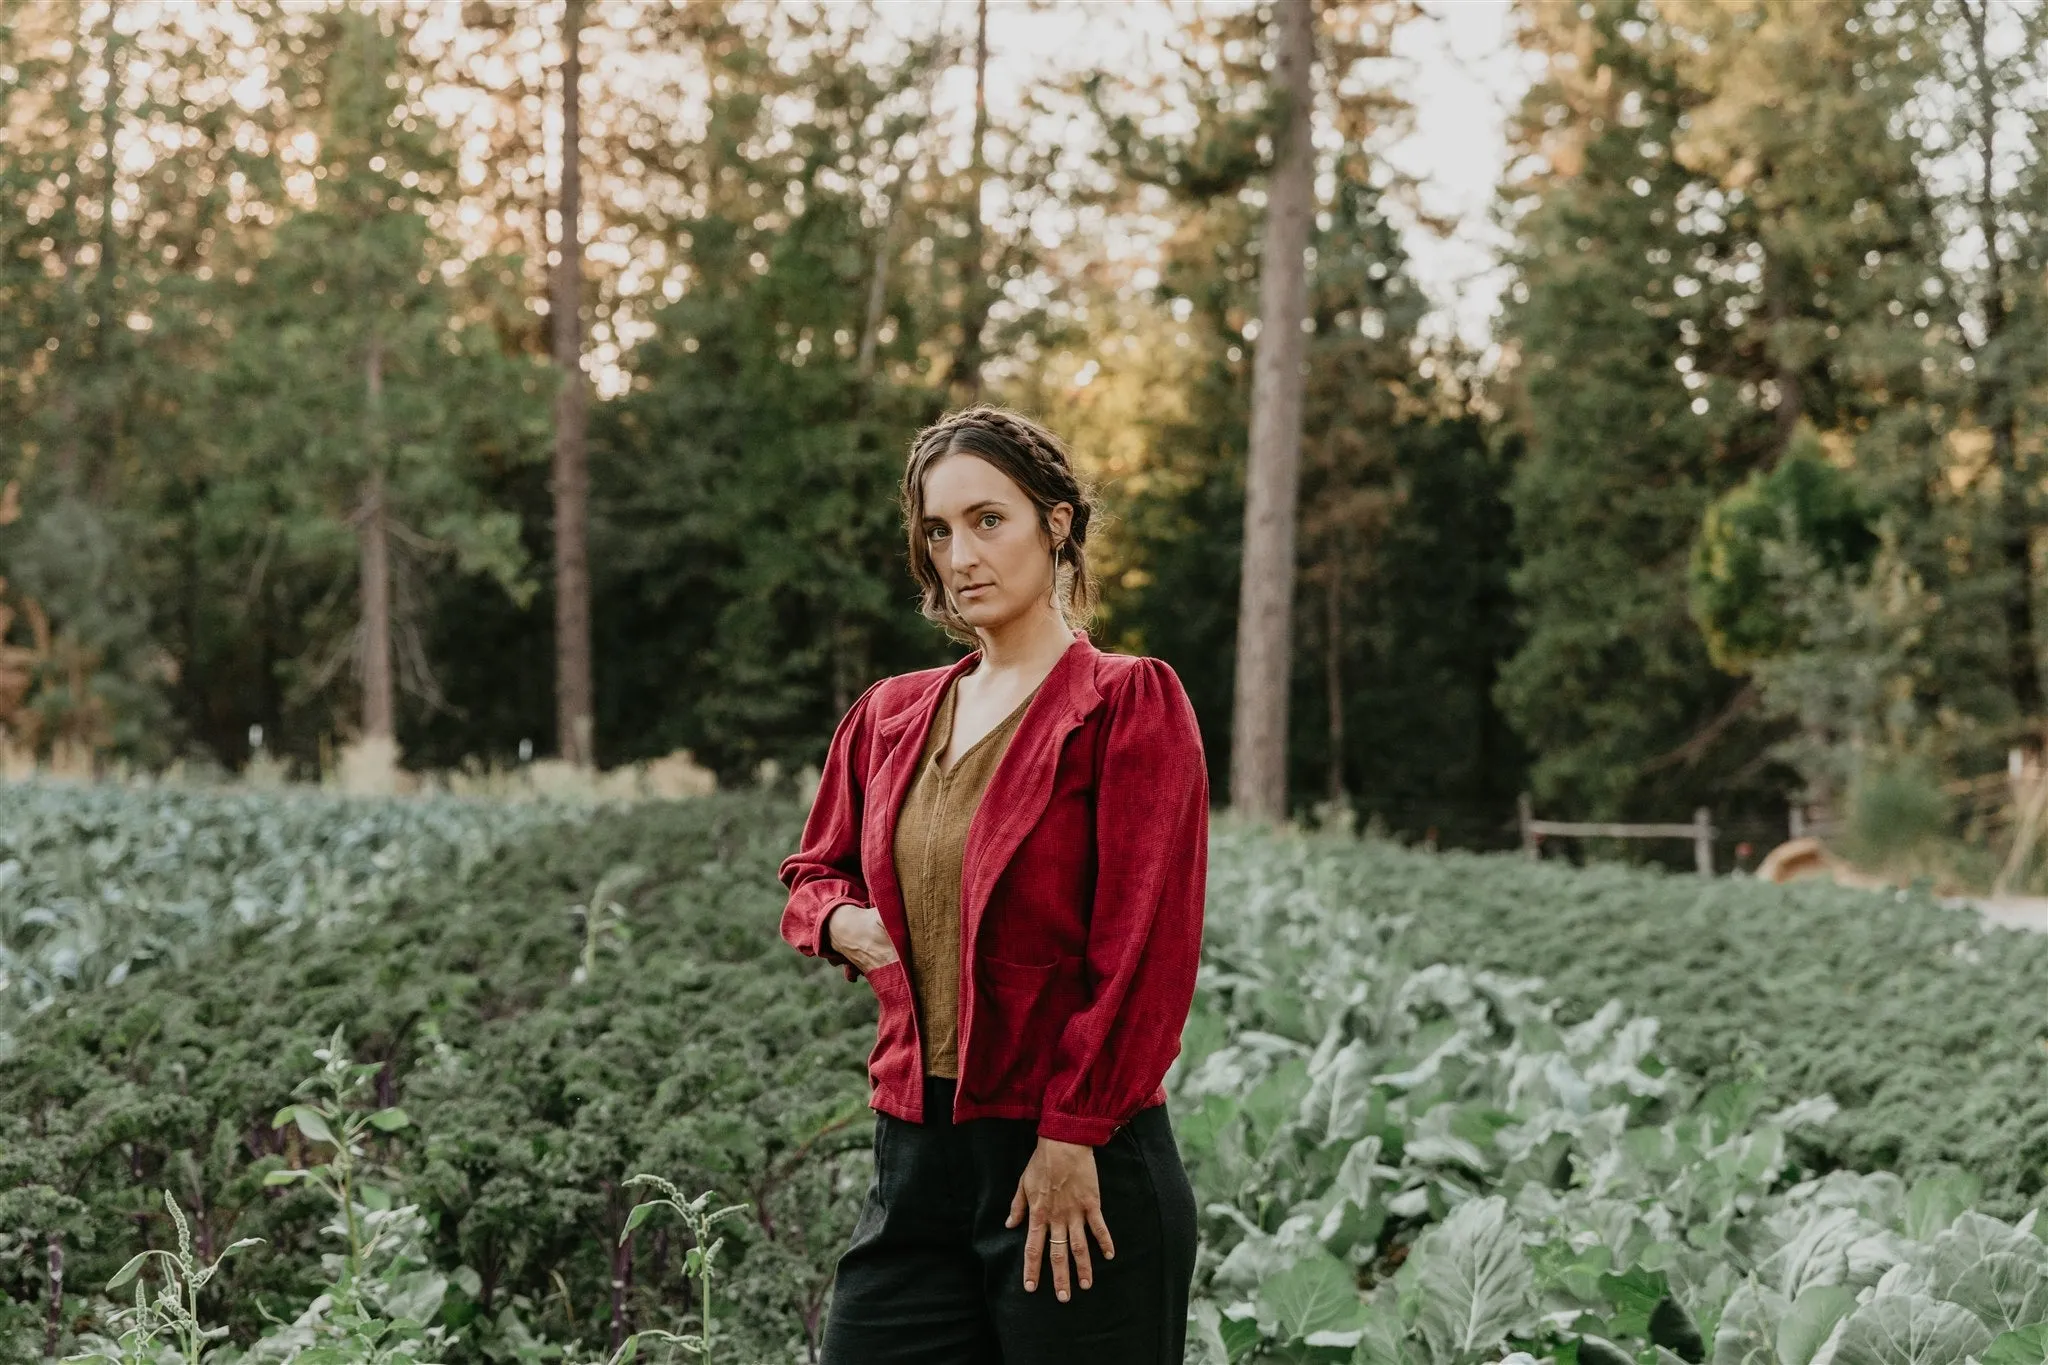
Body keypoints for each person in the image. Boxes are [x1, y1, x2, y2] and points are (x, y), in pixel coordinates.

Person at [777, 405, 1209, 1364]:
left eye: (988, 520)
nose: (960, 553)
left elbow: (1145, 947)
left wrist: (1073, 1134)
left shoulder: (1127, 704)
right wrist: (846, 924)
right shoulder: (891, 715)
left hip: (1070, 1164)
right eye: (938, 531)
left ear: (1056, 524)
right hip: (914, 1157)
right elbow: (813, 874)